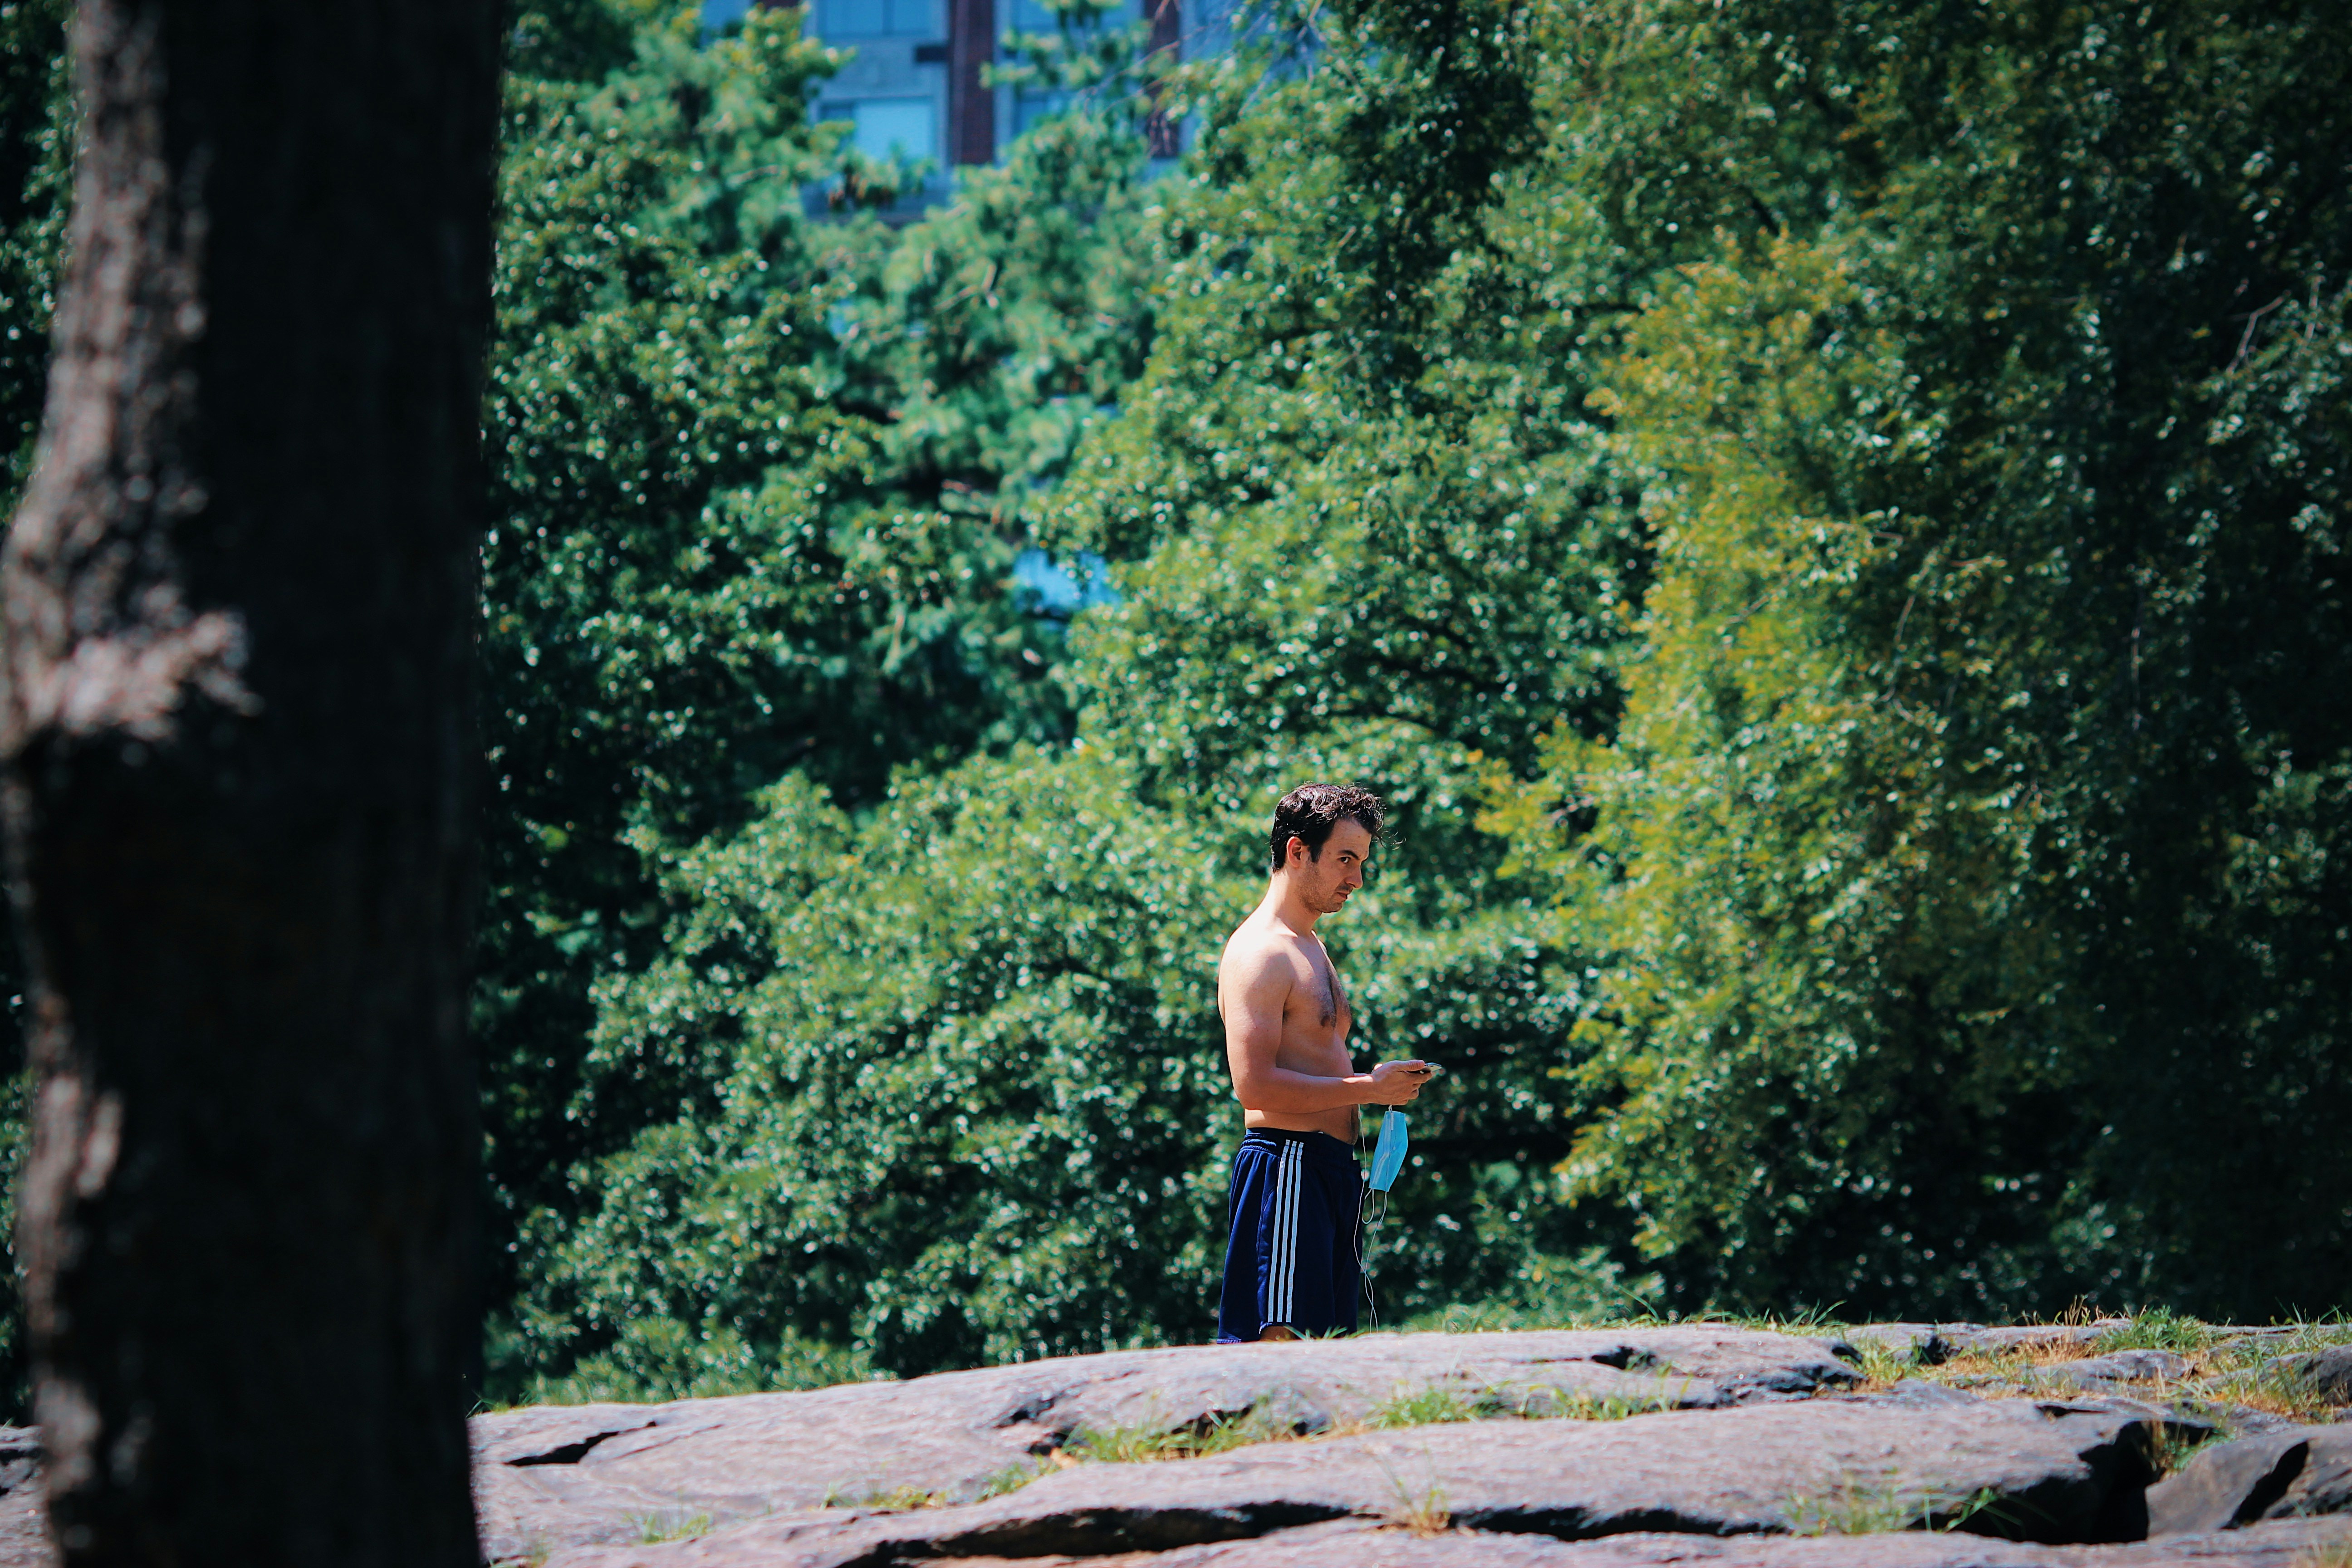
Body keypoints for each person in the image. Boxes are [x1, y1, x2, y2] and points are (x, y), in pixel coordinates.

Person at [1215, 783, 1434, 1343]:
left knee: (1328, 1353)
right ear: (1296, 851)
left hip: (1331, 1173)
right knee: (1281, 1344)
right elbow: (1254, 1086)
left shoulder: (1310, 945)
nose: (1356, 879)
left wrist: (1377, 1089)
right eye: (1344, 860)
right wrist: (1369, 1088)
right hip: (1288, 1166)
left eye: (1361, 863)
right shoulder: (1261, 952)